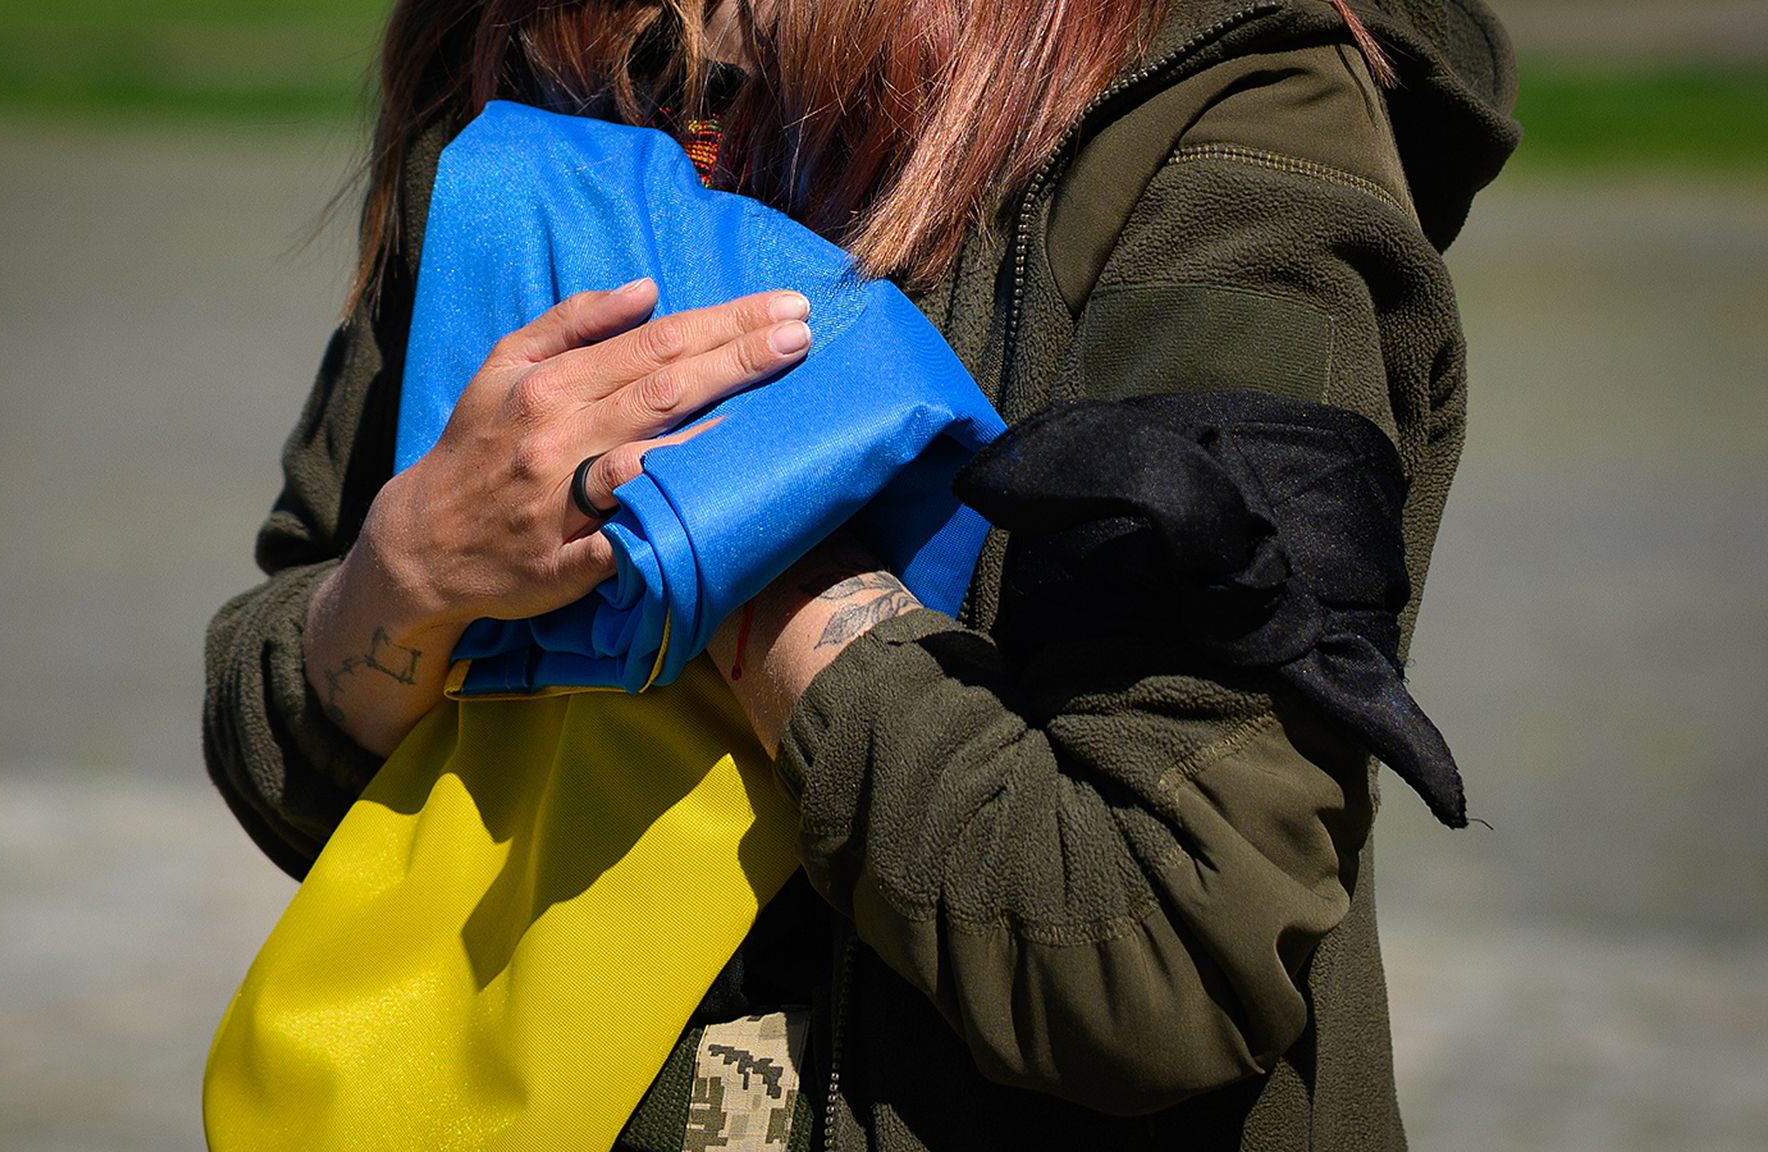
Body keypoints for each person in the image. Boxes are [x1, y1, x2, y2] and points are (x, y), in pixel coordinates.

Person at [203, 0, 1519, 1146]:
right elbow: (286, 752)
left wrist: (727, 536)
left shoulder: (1234, 136)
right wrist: (412, 577)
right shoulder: (527, 60)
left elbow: (1164, 952)